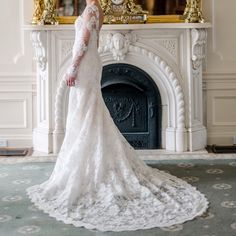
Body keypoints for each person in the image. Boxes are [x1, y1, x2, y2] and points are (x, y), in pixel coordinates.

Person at [26, 0, 209, 232]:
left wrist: (72, 67)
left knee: (85, 112)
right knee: (90, 112)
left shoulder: (92, 9)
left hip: (84, 64)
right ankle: (92, 154)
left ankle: (89, 161)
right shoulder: (97, 9)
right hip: (92, 63)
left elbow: (82, 43)